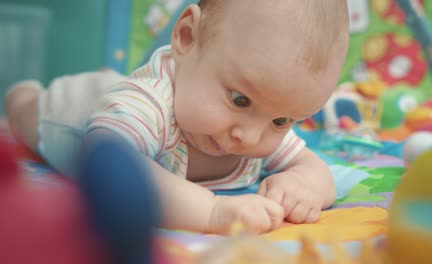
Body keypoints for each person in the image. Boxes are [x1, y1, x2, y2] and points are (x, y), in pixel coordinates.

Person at [5, 0, 349, 234]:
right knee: (24, 112)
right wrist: (210, 212)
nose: (251, 138)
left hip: (120, 95)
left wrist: (303, 184)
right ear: (187, 37)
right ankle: (22, 94)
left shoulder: (261, 111)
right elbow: (114, 166)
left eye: (283, 121)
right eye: (239, 99)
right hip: (66, 110)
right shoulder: (152, 104)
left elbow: (315, 169)